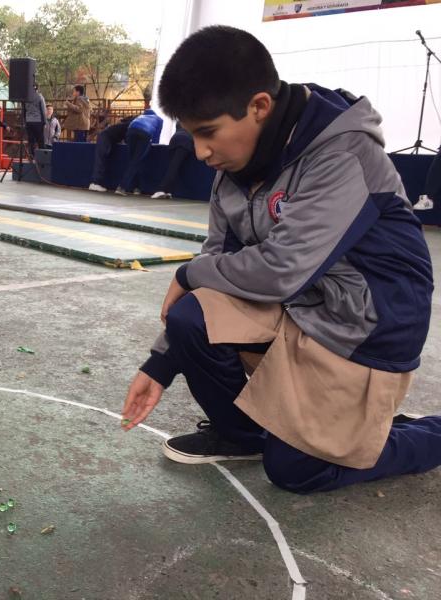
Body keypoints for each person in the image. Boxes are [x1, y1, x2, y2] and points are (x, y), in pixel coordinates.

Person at [121, 25, 439, 494]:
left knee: (296, 471)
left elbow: (281, 270)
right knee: (192, 315)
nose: (202, 152)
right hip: (300, 308)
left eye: (208, 133)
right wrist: (160, 364)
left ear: (259, 106)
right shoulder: (234, 166)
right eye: (192, 135)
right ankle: (244, 436)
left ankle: (411, 435)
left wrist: (188, 274)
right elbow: (220, 260)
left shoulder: (342, 152)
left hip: (364, 329)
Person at [116, 108, 163, 196]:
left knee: (133, 161)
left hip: (131, 131)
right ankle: (122, 187)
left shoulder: (140, 117)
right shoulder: (159, 119)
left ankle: (136, 188)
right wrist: (153, 144)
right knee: (136, 161)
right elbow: (156, 136)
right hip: (145, 133)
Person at [151, 121, 195, 199]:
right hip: (185, 141)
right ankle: (162, 190)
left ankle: (168, 191)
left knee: (173, 166)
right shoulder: (193, 121)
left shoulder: (181, 120)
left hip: (174, 140)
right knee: (174, 167)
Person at [88, 117, 133, 192]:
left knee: (101, 159)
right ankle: (95, 183)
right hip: (106, 138)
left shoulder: (126, 124)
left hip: (106, 137)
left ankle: (95, 182)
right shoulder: (130, 126)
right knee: (101, 159)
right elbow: (127, 139)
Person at [22, 83, 47, 158]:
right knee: (40, 140)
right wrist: (45, 121)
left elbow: (24, 110)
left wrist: (25, 121)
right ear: (37, 88)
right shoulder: (40, 96)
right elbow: (43, 110)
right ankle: (43, 157)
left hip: (29, 121)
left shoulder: (26, 97)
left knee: (31, 140)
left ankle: (31, 155)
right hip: (38, 121)